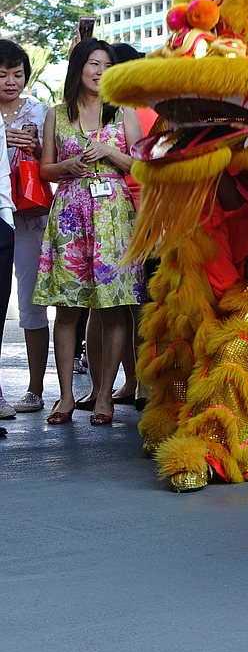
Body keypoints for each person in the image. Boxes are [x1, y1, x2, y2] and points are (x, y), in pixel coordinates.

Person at [33, 39, 145, 425]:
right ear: (79, 67)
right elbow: (45, 170)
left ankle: (103, 397)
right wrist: (66, 165)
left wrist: (108, 152)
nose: (99, 71)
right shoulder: (55, 114)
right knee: (67, 310)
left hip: (114, 217)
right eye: (93, 63)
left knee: (114, 309)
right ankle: (64, 396)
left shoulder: (124, 112)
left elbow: (139, 166)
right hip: (69, 215)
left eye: (106, 65)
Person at [1, 40, 54, 417]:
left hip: (31, 215)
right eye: (2, 74)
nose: (10, 82)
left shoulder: (41, 111)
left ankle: (35, 388)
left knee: (32, 303)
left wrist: (37, 149)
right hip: (1, 212)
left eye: (17, 74)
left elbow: (54, 160)